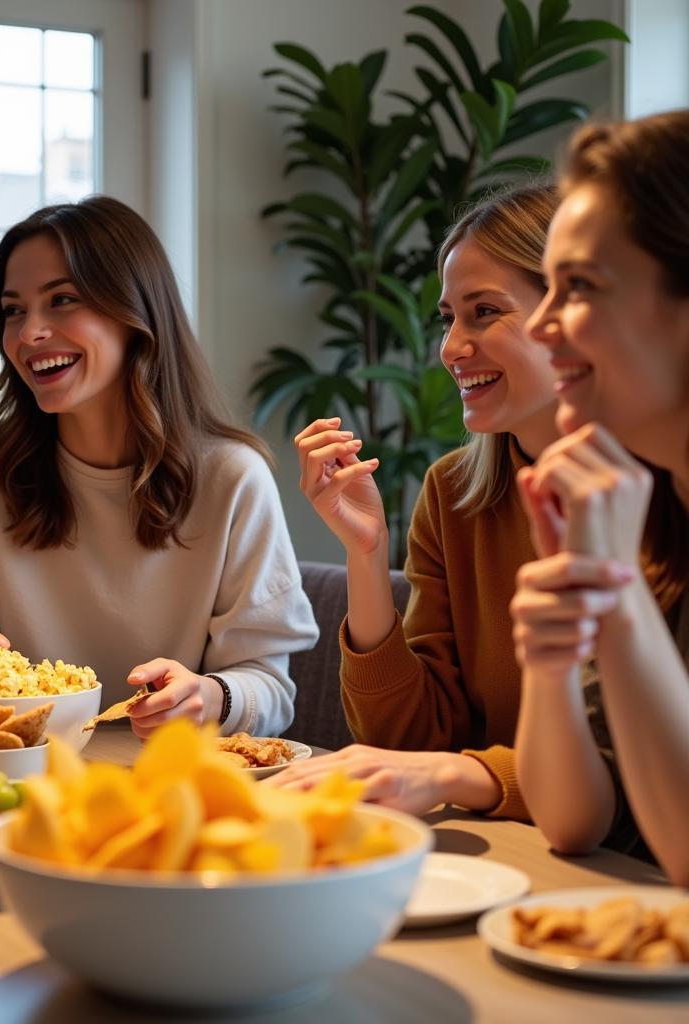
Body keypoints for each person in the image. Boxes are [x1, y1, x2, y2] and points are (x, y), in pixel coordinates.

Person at [0, 196, 317, 738]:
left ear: (136, 313)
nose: (28, 334)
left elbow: (269, 689)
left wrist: (210, 696)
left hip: (167, 790)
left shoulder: (233, 478)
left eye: (61, 299)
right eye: (13, 310)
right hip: (15, 786)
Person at [276, 185, 560, 816]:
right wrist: (367, 555)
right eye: (448, 317)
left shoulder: (662, 490)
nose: (451, 347)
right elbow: (406, 742)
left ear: (572, 315)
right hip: (508, 850)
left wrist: (467, 778)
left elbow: (638, 755)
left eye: (484, 312)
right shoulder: (456, 492)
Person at [510, 111, 689, 883]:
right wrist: (549, 664)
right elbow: (573, 820)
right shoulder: (644, 513)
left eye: (578, 287)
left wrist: (616, 604)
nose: (541, 324)